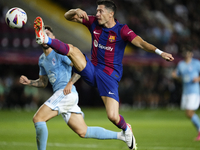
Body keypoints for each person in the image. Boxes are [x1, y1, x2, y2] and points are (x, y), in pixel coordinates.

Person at [33, 0, 174, 149]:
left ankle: (126, 129)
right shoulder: (93, 21)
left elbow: (142, 43)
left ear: (111, 14)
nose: (97, 14)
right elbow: (67, 16)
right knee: (73, 50)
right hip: (92, 69)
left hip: (109, 76)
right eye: (97, 10)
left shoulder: (122, 30)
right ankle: (45, 39)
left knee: (113, 116)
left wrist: (160, 52)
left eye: (101, 11)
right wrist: (75, 10)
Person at [19, 25, 128, 150]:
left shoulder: (59, 53)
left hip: (66, 93)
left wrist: (70, 82)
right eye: (42, 34)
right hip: (64, 96)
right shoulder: (42, 60)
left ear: (53, 37)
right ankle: (122, 136)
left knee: (38, 119)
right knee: (83, 131)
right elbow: (43, 82)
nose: (45, 36)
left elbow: (80, 67)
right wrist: (29, 82)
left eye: (47, 34)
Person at [172, 45, 200, 141]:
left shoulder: (196, 63)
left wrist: (198, 79)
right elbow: (178, 75)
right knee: (188, 113)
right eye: (185, 52)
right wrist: (175, 75)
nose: (186, 54)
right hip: (186, 91)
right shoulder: (181, 64)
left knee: (189, 112)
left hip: (194, 91)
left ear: (191, 54)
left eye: (188, 52)